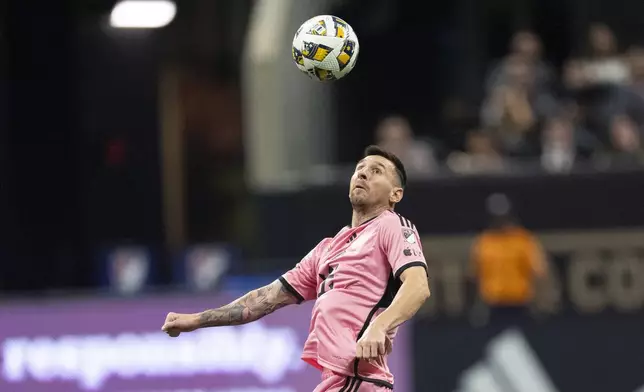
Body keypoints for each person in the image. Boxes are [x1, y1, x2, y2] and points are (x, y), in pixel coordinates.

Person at [161, 145, 431, 392]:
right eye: (359, 169)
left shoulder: (391, 225)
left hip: (360, 380)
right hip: (338, 382)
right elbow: (264, 299)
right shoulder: (327, 248)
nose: (363, 175)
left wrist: (380, 326)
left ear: (396, 193)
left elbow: (418, 286)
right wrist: (197, 320)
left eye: (376, 171)